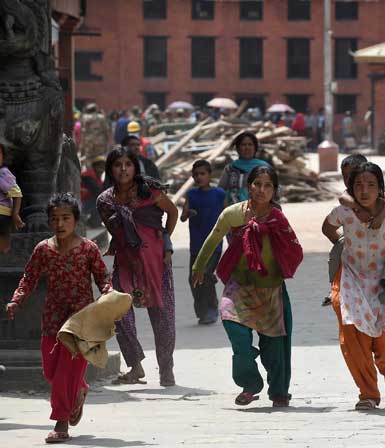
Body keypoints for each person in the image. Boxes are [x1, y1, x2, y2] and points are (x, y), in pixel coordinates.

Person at [192, 165, 303, 407]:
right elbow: (213, 238)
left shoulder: (277, 218)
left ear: (274, 190)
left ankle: (279, 391)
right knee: (237, 335)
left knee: (274, 347)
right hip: (238, 287)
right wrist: (198, 268)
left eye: (268, 186)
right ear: (248, 186)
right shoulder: (233, 214)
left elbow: (294, 249)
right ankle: (250, 384)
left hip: (270, 290)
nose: (261, 190)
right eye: (257, 184)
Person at [5, 193, 112, 444]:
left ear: (75, 220)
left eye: (65, 218)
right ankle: (79, 388)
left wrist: (111, 296)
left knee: (64, 375)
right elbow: (28, 278)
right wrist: (16, 300)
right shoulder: (43, 249)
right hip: (52, 319)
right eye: (54, 219)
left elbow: (103, 278)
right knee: (50, 372)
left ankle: (61, 423)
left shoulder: (88, 248)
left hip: (81, 321)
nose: (60, 224)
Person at [322, 162, 385, 410]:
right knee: (353, 336)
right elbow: (327, 226)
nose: (364, 191)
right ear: (351, 188)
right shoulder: (343, 211)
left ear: (380, 188)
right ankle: (368, 394)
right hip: (352, 278)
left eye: (371, 185)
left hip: (383, 279)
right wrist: (340, 244)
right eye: (359, 185)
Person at [97, 148, 178, 386]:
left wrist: (164, 240)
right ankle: (136, 366)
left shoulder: (149, 191)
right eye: (117, 164)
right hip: (125, 261)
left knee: (163, 314)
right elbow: (115, 230)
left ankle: (166, 368)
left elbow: (172, 212)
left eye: (128, 164)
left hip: (155, 261)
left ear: (135, 168)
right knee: (118, 312)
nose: (123, 169)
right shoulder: (105, 201)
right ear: (110, 170)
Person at [321, 154, 385, 307]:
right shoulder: (347, 197)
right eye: (346, 177)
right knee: (337, 252)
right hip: (353, 242)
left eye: (352, 175)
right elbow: (341, 202)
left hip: (383, 240)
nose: (349, 180)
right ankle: (334, 288)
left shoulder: (376, 190)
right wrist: (349, 243)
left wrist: (380, 218)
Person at [181, 160, 226, 325]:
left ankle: (212, 309)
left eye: (202, 174)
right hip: (196, 245)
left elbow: (227, 214)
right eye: (196, 175)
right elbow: (182, 217)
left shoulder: (219, 194)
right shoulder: (191, 195)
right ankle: (202, 312)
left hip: (214, 243)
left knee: (205, 274)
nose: (199, 177)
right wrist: (188, 214)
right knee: (194, 278)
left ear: (210, 175)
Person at [218, 132, 271, 205]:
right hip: (234, 211)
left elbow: (274, 189)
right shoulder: (230, 168)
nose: (247, 148)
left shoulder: (264, 168)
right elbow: (220, 190)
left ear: (255, 148)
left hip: (259, 211)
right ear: (238, 148)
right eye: (243, 145)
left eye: (250, 144)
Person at [0, 143, 24, 252]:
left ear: (3, 157)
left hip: (2, 215)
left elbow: (16, 193)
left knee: (3, 246)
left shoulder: (3, 173)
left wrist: (15, 214)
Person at [80, 156, 106, 228]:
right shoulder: (88, 176)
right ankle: (93, 223)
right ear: (94, 166)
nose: (101, 167)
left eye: (103, 165)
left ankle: (94, 222)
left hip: (86, 202)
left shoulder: (97, 178)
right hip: (81, 204)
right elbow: (97, 191)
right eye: (99, 165)